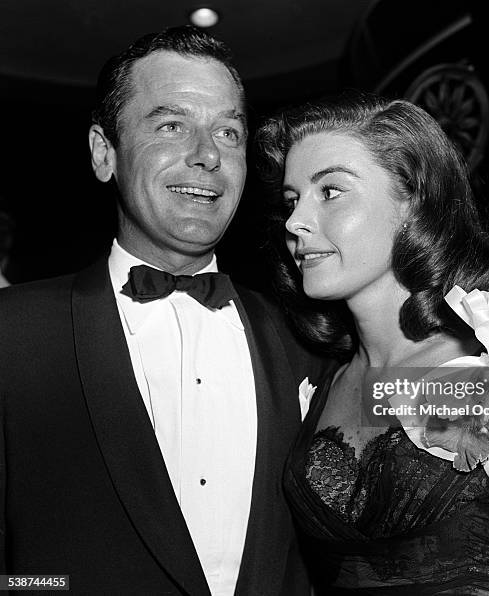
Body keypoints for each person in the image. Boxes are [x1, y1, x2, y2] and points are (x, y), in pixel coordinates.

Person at [0, 27, 331, 595]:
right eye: (171, 125)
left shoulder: (307, 337)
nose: (207, 155)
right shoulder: (13, 331)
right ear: (105, 153)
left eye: (228, 132)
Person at [255, 94, 489, 594]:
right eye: (292, 201)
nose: (295, 223)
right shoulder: (319, 377)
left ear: (412, 203)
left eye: (330, 191)